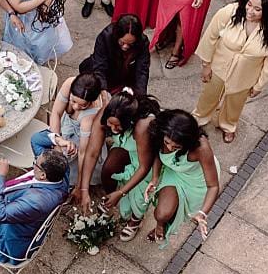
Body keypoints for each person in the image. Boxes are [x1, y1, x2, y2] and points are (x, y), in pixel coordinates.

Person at [193, 0, 268, 143]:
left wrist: (259, 85)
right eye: (249, 5)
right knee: (208, 96)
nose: (250, 11)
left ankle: (228, 125)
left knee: (235, 103)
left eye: (258, 9)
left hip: (246, 76)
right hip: (218, 67)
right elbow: (210, 37)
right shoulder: (230, 12)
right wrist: (206, 64)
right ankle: (199, 119)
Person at [116, 110, 220, 247]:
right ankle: (160, 225)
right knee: (162, 213)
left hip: (196, 181)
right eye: (167, 142)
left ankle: (161, 227)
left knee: (164, 214)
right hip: (173, 171)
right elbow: (158, 154)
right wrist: (154, 178)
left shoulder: (202, 147)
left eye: (177, 146)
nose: (170, 148)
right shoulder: (160, 133)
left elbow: (213, 186)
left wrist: (202, 213)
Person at [29, 72, 111, 187]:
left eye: (83, 106)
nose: (76, 107)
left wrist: (80, 185)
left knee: (72, 163)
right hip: (66, 126)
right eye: (73, 101)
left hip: (83, 137)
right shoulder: (69, 83)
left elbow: (83, 152)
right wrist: (57, 142)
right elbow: (56, 113)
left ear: (91, 102)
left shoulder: (89, 117)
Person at [90, 92, 160, 220]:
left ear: (129, 121)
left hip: (146, 158)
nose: (112, 129)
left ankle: (136, 219)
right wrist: (82, 188)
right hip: (125, 148)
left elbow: (144, 167)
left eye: (117, 125)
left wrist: (121, 193)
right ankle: (111, 197)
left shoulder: (142, 127)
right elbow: (91, 153)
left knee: (140, 197)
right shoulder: (110, 112)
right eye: (110, 124)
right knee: (108, 169)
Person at [81, 13, 151, 97]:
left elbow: (142, 70)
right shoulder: (105, 37)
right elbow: (100, 67)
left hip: (126, 74)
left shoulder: (143, 42)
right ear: (117, 36)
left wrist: (141, 96)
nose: (125, 46)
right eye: (122, 42)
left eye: (130, 44)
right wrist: (103, 92)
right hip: (107, 71)